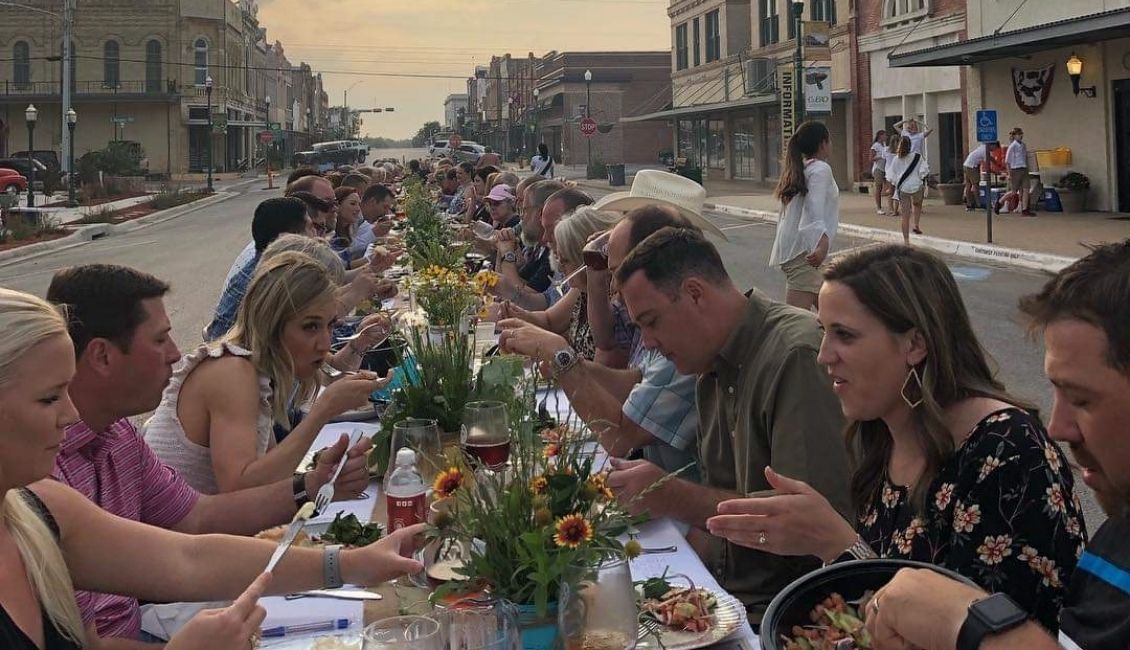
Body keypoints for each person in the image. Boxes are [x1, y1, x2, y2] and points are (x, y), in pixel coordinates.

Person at [0, 287, 426, 650]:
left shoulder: (36, 505)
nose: (71, 415)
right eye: (49, 398)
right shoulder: (43, 488)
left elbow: (188, 556)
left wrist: (353, 565)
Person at [706, 245, 1084, 631]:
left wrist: (837, 546)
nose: (824, 355)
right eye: (823, 331)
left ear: (915, 344)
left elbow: (989, 636)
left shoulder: (1007, 452)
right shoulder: (881, 433)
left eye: (845, 335)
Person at [863, 240, 1130, 650]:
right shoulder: (1116, 537)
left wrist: (973, 623)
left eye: (1081, 399)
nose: (1057, 427)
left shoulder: (1006, 446)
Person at [605, 226, 851, 617]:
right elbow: (717, 516)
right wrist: (670, 600)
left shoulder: (794, 354)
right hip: (727, 598)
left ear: (695, 294)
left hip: (786, 614)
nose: (648, 343)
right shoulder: (708, 365)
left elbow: (808, 528)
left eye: (651, 322)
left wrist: (670, 495)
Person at [145, 252, 394, 494]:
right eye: (310, 327)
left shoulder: (258, 373)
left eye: (329, 325)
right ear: (271, 325)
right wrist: (324, 410)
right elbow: (239, 491)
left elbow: (272, 476)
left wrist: (322, 478)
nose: (325, 343)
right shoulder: (232, 372)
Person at [499, 204, 701, 477]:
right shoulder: (663, 317)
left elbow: (620, 437)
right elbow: (637, 381)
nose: (613, 284)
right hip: (657, 489)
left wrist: (563, 358)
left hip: (674, 505)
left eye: (615, 269)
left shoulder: (681, 332)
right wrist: (567, 363)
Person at [501, 206, 621, 361]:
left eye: (564, 260)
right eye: (558, 258)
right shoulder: (581, 290)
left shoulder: (616, 299)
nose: (559, 267)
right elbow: (550, 320)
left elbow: (603, 370)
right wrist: (518, 314)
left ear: (584, 261)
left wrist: (559, 355)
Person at [206, 197, 310, 342]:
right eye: (310, 228)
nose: (316, 236)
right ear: (287, 238)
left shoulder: (267, 266)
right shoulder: (270, 279)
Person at [769, 121, 840, 311]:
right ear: (823, 143)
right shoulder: (820, 169)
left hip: (797, 252)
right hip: (804, 253)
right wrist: (822, 243)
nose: (831, 144)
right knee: (796, 323)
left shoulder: (804, 168)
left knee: (832, 313)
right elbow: (813, 209)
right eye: (830, 140)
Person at [491, 179, 563, 310]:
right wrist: (502, 249)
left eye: (524, 210)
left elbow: (522, 299)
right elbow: (502, 285)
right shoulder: (538, 247)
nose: (521, 217)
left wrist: (507, 255)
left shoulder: (554, 253)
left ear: (541, 213)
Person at [886, 135, 927, 244]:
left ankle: (906, 241)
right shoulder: (918, 157)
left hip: (903, 187)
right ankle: (916, 225)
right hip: (916, 185)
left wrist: (896, 183)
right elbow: (924, 170)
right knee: (917, 205)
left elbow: (891, 175)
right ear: (910, 145)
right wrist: (920, 178)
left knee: (905, 215)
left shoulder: (896, 158)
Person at [1002, 127, 1034, 216]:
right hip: (1015, 169)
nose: (1021, 136)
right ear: (1015, 136)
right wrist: (1009, 173)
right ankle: (1001, 201)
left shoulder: (1023, 145)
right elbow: (1007, 161)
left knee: (1026, 189)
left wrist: (1027, 167)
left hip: (1023, 168)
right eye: (1019, 135)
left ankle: (1025, 209)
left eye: (1021, 134)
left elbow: (1024, 157)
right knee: (1013, 191)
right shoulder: (1012, 146)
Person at [330, 185, 362, 264]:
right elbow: (342, 266)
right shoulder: (330, 234)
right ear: (338, 206)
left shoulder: (349, 229)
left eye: (359, 204)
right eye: (353, 204)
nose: (358, 209)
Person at [962, 142, 990, 211]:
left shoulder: (982, 147)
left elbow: (990, 158)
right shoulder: (985, 150)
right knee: (975, 185)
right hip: (972, 166)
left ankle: (969, 204)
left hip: (966, 164)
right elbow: (987, 163)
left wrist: (996, 163)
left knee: (968, 185)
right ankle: (978, 204)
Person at [871, 130, 890, 215]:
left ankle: (891, 206)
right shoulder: (875, 146)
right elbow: (871, 158)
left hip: (885, 168)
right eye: (885, 135)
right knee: (879, 187)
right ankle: (879, 207)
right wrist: (880, 157)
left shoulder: (885, 145)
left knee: (888, 187)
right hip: (878, 168)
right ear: (880, 136)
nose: (886, 137)